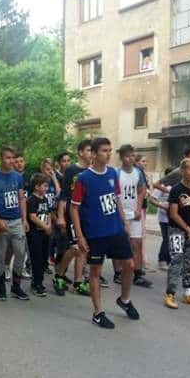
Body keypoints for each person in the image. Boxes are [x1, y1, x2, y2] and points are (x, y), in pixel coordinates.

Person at [70, 137, 138, 329]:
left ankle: (124, 300)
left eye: (109, 150)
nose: (108, 154)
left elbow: (117, 199)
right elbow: (74, 208)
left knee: (130, 265)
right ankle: (98, 313)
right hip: (95, 233)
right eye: (104, 150)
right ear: (93, 154)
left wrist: (124, 222)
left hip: (115, 229)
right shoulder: (84, 178)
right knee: (96, 271)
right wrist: (80, 236)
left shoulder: (112, 173)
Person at [0, 146, 29, 301]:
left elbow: (21, 198)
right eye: (8, 158)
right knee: (0, 255)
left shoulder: (17, 177)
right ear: (1, 159)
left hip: (16, 220)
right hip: (2, 221)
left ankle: (16, 286)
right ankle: (1, 287)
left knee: (20, 253)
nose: (11, 161)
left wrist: (24, 219)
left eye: (13, 158)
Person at [53, 140, 92, 297]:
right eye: (88, 150)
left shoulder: (93, 170)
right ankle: (59, 275)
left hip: (87, 214)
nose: (91, 153)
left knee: (83, 248)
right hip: (72, 213)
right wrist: (61, 216)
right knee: (75, 247)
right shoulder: (71, 170)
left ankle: (78, 282)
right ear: (80, 152)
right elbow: (63, 194)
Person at [163, 158, 190, 310]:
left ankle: (188, 293)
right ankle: (170, 293)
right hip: (177, 230)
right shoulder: (176, 189)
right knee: (176, 259)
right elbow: (173, 214)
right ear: (183, 171)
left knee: (189, 261)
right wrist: (186, 228)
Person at [117, 145, 152, 287]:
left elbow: (142, 190)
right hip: (121, 213)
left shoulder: (138, 172)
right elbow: (115, 195)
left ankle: (138, 274)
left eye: (132, 156)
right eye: (127, 156)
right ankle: (118, 272)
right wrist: (120, 214)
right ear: (121, 158)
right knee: (121, 244)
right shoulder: (117, 173)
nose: (130, 159)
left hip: (134, 213)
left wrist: (138, 209)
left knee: (137, 243)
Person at [26, 173, 53, 296]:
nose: (47, 188)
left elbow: (48, 213)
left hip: (45, 233)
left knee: (43, 258)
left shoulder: (45, 198)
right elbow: (32, 216)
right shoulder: (32, 200)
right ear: (37, 187)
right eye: (45, 186)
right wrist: (45, 226)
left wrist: (49, 225)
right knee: (36, 259)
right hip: (35, 234)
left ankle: (40, 282)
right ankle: (36, 283)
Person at [150, 167, 173, 269]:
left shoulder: (177, 186)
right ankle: (162, 260)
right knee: (166, 239)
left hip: (175, 217)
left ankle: (170, 260)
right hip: (164, 218)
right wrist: (163, 206)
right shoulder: (162, 186)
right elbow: (152, 200)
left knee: (173, 239)